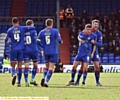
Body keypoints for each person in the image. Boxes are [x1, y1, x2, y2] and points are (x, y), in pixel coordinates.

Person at [4, 17, 34, 87]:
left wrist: (8, 41)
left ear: (12, 22)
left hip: (13, 49)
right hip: (21, 49)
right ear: (18, 22)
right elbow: (32, 28)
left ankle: (13, 74)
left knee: (12, 64)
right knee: (20, 65)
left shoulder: (10, 30)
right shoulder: (22, 28)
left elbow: (6, 40)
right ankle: (19, 82)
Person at [38, 18, 63, 87]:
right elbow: (59, 40)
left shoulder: (42, 32)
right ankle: (46, 81)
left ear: (46, 24)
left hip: (46, 51)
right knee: (51, 68)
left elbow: (37, 41)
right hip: (53, 51)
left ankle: (43, 76)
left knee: (46, 66)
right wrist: (61, 41)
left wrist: (42, 48)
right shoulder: (55, 31)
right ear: (52, 24)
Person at [82, 19, 103, 86]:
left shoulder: (99, 33)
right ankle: (81, 81)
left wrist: (95, 42)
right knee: (84, 66)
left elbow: (100, 44)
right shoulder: (87, 31)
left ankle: (97, 82)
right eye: (95, 24)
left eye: (97, 24)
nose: (96, 25)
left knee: (97, 66)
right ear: (92, 24)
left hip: (95, 51)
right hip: (86, 51)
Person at [23, 20, 43, 87]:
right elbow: (35, 40)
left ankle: (26, 82)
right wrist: (41, 49)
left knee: (26, 66)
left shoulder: (23, 31)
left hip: (26, 50)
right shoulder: (33, 31)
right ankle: (32, 79)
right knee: (35, 65)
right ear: (32, 24)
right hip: (34, 50)